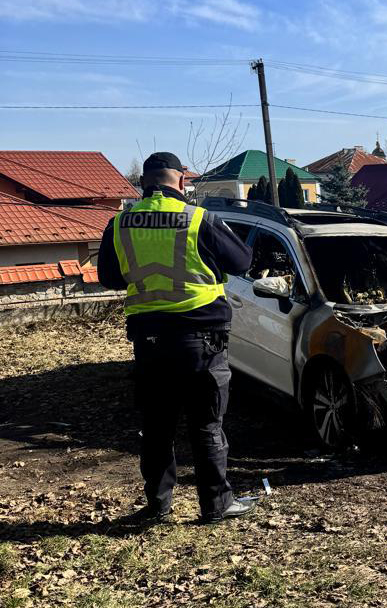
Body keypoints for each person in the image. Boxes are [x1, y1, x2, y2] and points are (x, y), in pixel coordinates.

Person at [98, 152, 255, 524]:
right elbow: (242, 262)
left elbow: (110, 277)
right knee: (206, 424)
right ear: (182, 181)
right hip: (201, 340)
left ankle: (158, 505)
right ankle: (216, 505)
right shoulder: (199, 219)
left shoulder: (119, 223)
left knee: (157, 427)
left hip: (150, 342)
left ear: (143, 182)